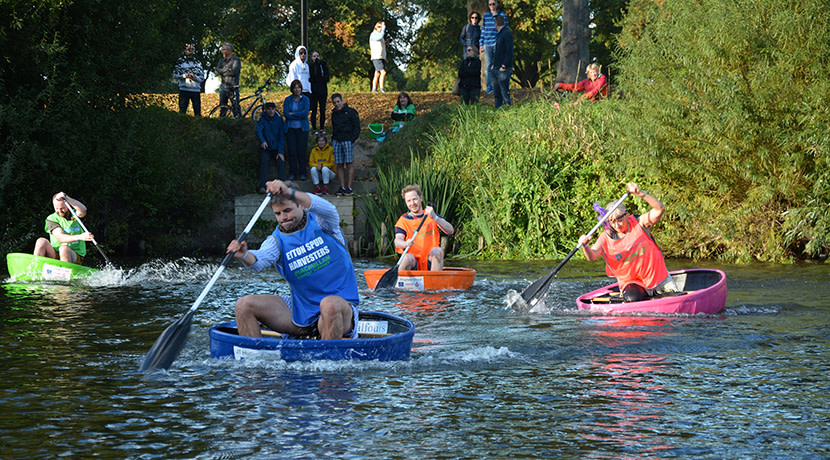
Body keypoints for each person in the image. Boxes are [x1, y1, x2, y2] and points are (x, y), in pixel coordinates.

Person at [226, 180, 360, 340]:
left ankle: (324, 361)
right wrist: (244, 254)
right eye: (278, 214)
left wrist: (290, 193)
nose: (283, 218)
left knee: (329, 304)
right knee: (244, 305)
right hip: (301, 310)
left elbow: (328, 208)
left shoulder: (324, 224)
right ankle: (254, 359)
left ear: (301, 205)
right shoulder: (276, 241)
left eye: (287, 210)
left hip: (340, 309)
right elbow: (258, 260)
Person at [578, 183, 680, 302]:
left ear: (626, 215)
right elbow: (592, 256)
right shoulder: (605, 237)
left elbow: (659, 209)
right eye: (612, 222)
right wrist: (585, 246)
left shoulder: (639, 222)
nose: (617, 225)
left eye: (620, 220)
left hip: (660, 279)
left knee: (676, 299)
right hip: (633, 284)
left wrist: (641, 193)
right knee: (632, 298)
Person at [394, 185, 454, 271]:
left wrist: (435, 217)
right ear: (406, 203)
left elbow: (450, 230)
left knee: (438, 251)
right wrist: (405, 244)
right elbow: (397, 241)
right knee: (407, 258)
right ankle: (401, 282)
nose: (412, 203)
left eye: (414, 199)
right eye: (409, 201)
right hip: (413, 263)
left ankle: (434, 282)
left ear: (420, 198)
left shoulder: (431, 215)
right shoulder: (403, 220)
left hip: (430, 261)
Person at [33, 192, 94, 264]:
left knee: (64, 249)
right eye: (56, 208)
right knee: (41, 241)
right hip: (56, 253)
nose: (59, 211)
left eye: (62, 208)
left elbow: (83, 210)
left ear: (67, 206)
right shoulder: (52, 218)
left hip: (74, 254)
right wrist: (79, 237)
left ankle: (65, 272)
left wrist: (66, 197)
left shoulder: (75, 215)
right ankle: (36, 267)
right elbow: (61, 238)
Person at [330, 93, 360, 196]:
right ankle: (342, 186)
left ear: (342, 101)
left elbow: (357, 127)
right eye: (334, 103)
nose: (337, 104)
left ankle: (349, 187)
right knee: (339, 164)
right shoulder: (334, 114)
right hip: (337, 140)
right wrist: (333, 139)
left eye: (338, 102)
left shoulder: (351, 112)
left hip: (348, 140)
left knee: (349, 163)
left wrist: (352, 139)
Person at [283, 79, 311, 181]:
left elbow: (305, 114)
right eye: (295, 87)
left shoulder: (305, 99)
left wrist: (293, 114)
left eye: (298, 87)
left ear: (301, 88)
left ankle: (303, 173)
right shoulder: (288, 99)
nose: (297, 89)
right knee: (292, 152)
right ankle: (292, 173)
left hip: (302, 129)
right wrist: (297, 114)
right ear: (292, 89)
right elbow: (286, 114)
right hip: (290, 129)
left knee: (301, 152)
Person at [256, 102, 286, 193]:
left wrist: (281, 151)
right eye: (268, 109)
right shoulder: (262, 119)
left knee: (281, 162)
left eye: (272, 109)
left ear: (275, 110)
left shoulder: (279, 120)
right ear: (266, 110)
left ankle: (282, 186)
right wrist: (262, 141)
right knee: (264, 163)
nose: (271, 111)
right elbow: (259, 131)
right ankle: (263, 185)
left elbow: (282, 136)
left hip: (276, 148)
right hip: (267, 147)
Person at [479, 0, 508, 94]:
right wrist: (481, 44)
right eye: (490, 4)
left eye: (493, 4)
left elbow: (506, 29)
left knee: (498, 65)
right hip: (487, 44)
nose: (492, 6)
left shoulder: (502, 15)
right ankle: (490, 87)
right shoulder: (486, 16)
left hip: (497, 43)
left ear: (497, 4)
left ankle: (500, 86)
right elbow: (483, 30)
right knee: (488, 67)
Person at [173, 44, 205, 116]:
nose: (190, 51)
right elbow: (175, 74)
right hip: (184, 89)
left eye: (192, 49)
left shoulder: (198, 63)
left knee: (197, 113)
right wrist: (184, 76)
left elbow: (202, 77)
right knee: (182, 112)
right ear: (185, 50)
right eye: (188, 49)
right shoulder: (180, 61)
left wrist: (196, 78)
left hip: (196, 90)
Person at [491, 15, 513, 108]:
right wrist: (493, 65)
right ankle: (498, 112)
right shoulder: (499, 34)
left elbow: (509, 52)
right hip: (495, 68)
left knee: (504, 93)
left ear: (496, 24)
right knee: (497, 94)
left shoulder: (506, 34)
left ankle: (508, 112)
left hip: (503, 69)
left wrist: (504, 66)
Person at [215, 42, 241, 117]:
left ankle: (239, 123)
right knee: (222, 108)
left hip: (233, 87)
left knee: (236, 107)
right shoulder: (221, 61)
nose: (222, 51)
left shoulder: (236, 60)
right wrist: (227, 69)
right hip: (223, 87)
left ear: (229, 50)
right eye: (222, 49)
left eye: (224, 49)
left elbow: (233, 72)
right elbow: (216, 71)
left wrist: (222, 71)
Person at [308, 50, 330, 132]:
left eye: (317, 56)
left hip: (322, 90)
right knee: (314, 110)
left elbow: (326, 77)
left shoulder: (323, 65)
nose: (316, 57)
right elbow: (311, 78)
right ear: (312, 58)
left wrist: (319, 79)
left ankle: (321, 128)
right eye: (314, 56)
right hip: (314, 91)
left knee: (322, 110)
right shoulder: (310, 66)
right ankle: (314, 128)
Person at [369, 21, 387, 93]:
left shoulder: (379, 35)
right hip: (377, 57)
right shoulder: (374, 34)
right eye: (379, 27)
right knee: (383, 72)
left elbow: (381, 45)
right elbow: (380, 37)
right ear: (376, 27)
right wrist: (384, 28)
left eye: (381, 27)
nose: (380, 28)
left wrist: (386, 43)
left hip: (381, 57)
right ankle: (382, 88)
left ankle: (374, 89)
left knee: (377, 73)